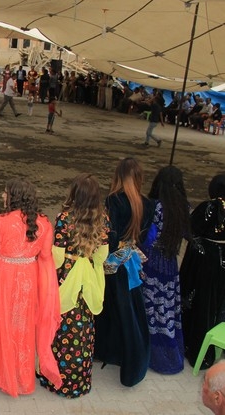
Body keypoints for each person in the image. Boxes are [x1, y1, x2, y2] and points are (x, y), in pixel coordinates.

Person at [0, 178, 61, 397]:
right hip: (29, 280)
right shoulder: (44, 223)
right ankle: (22, 378)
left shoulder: (0, 221)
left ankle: (1, 373)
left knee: (3, 325)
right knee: (24, 328)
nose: (2, 196)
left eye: (5, 192)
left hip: (4, 279)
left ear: (14, 197)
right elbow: (47, 256)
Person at [38, 174, 109, 398]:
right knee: (84, 327)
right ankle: (79, 380)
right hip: (88, 276)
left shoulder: (64, 217)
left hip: (66, 277)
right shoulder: (103, 219)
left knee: (60, 326)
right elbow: (102, 255)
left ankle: (56, 377)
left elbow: (57, 256)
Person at [94, 157, 154, 387]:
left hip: (112, 263)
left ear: (117, 175)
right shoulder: (147, 204)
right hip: (131, 262)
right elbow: (144, 237)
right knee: (129, 312)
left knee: (107, 309)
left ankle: (105, 350)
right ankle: (127, 358)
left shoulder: (113, 200)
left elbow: (109, 235)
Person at [139, 166, 190, 375]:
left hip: (151, 264)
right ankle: (169, 349)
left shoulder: (155, 208)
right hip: (170, 265)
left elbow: (147, 238)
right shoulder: (184, 207)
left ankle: (147, 351)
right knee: (167, 309)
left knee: (149, 307)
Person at [181, 174, 225, 369]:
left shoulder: (209, 207)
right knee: (219, 302)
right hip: (222, 259)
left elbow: (190, 229)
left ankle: (196, 346)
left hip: (206, 262)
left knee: (201, 303)